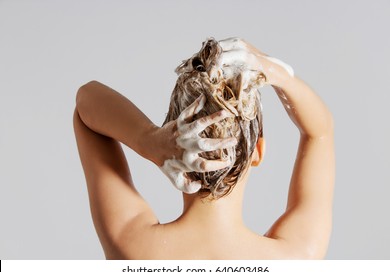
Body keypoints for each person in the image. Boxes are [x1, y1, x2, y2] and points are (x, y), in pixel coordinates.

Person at [73, 38, 335, 259]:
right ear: (258, 151)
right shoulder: (297, 256)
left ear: (171, 137)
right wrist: (271, 68)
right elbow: (320, 132)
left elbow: (86, 101)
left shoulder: (133, 244)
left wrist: (149, 139)